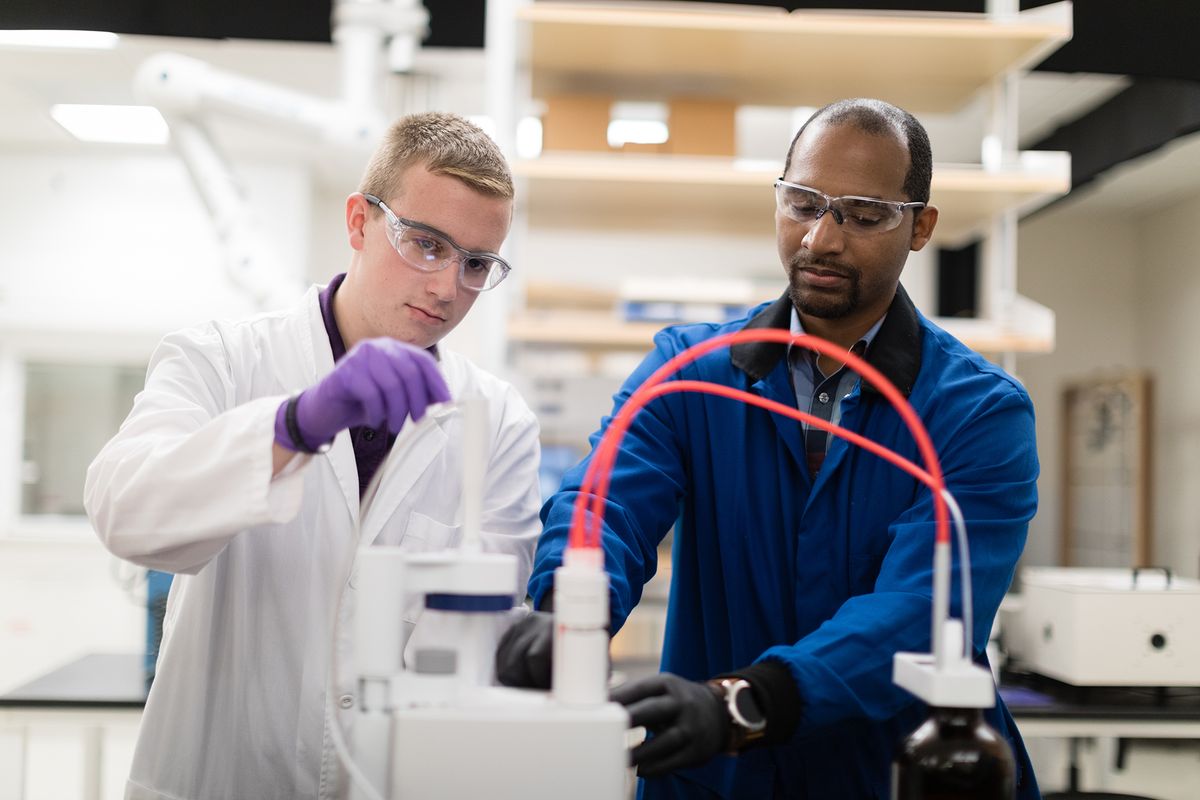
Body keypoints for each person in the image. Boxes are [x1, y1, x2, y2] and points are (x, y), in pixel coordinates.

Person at [496, 98, 1040, 799]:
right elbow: (607, 501)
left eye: (863, 214)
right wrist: (567, 605)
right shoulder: (691, 371)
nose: (820, 240)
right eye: (802, 203)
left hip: (898, 773)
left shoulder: (977, 411)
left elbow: (923, 611)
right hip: (719, 778)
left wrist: (753, 700)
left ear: (920, 227)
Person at [85, 112, 543, 800]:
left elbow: (476, 643)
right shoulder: (221, 360)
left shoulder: (497, 422)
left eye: (476, 263)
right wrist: (293, 425)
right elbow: (126, 514)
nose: (449, 287)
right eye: (425, 244)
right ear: (359, 222)